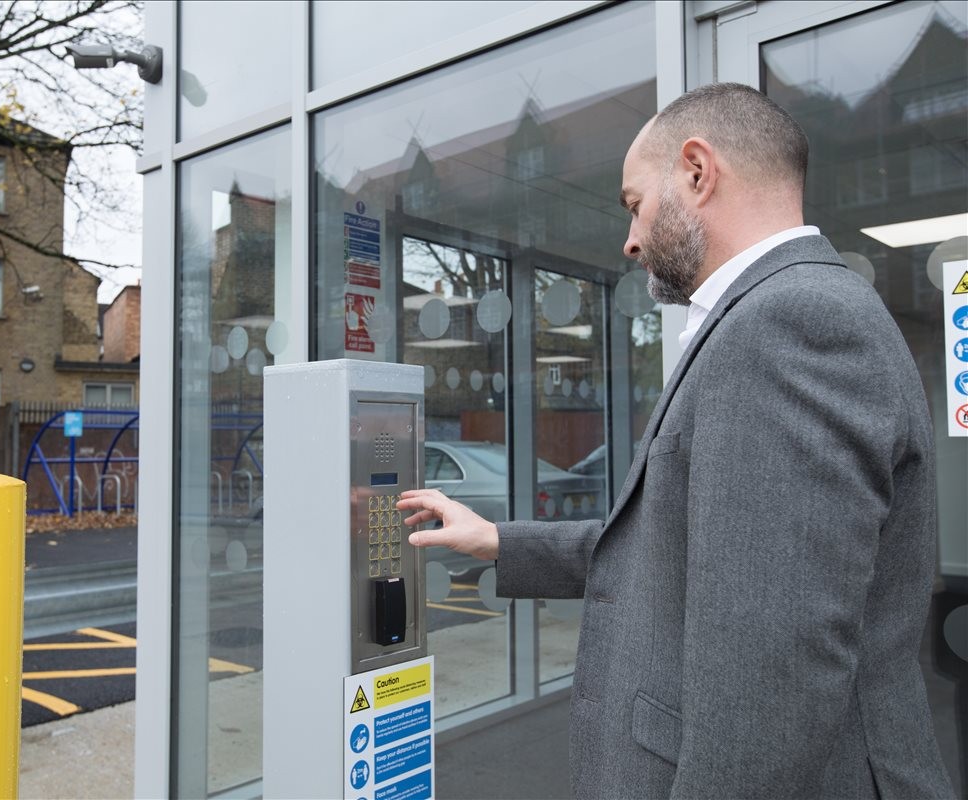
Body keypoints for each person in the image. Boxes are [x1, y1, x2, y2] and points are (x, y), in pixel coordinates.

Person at [397, 83, 953, 799]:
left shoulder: (786, 325)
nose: (629, 238)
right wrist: (496, 541)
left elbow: (770, 675)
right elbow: (677, 548)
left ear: (697, 171)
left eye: (634, 203)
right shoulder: (788, 313)